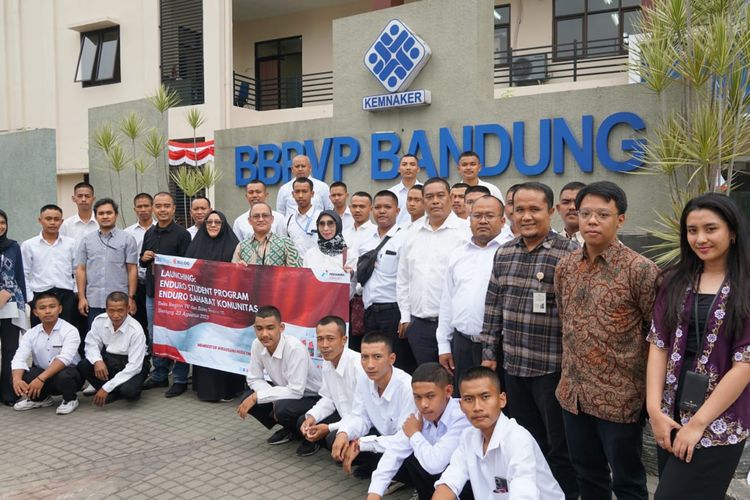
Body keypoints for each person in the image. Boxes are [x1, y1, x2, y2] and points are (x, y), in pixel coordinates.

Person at [555, 181, 658, 500]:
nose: (592, 221)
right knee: (587, 475)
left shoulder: (640, 270)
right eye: (585, 213)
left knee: (627, 481)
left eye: (602, 214)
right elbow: (565, 318)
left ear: (620, 219)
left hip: (620, 398)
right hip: (574, 395)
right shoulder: (566, 266)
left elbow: (656, 334)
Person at [646, 193, 750, 500]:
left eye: (710, 229)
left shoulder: (746, 286)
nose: (700, 238)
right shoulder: (674, 280)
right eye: (692, 230)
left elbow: (745, 364)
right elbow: (658, 345)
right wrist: (654, 410)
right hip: (672, 406)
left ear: (732, 232)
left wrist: (699, 424)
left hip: (721, 413)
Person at [480, 182, 579, 499]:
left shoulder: (570, 255)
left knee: (560, 447)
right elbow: (493, 305)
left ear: (551, 211)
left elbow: (577, 316)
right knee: (525, 441)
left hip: (553, 371)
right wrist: (488, 353)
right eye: (519, 209)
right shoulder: (504, 252)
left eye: (534, 209)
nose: (526, 216)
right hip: (514, 368)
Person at [433, 367, 564, 500]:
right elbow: (449, 482)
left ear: (502, 400)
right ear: (461, 405)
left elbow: (524, 494)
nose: (477, 407)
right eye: (469, 399)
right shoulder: (468, 436)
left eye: (485, 397)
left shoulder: (518, 439)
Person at [438, 196, 512, 393]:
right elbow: (447, 301)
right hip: (462, 344)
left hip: (500, 347)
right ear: (469, 220)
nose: (483, 221)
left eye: (489, 216)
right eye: (477, 216)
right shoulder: (458, 253)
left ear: (502, 220)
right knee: (465, 401)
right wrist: (443, 344)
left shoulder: (511, 252)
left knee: (498, 402)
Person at [366, 363, 473, 500]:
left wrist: (414, 434)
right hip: (438, 483)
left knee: (418, 451)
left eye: (430, 396)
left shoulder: (462, 417)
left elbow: (435, 464)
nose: (423, 404)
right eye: (417, 397)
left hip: (466, 487)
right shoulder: (418, 416)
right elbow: (394, 451)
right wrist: (374, 493)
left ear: (448, 391)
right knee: (406, 455)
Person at [397, 177, 468, 365]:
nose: (435, 201)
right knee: (427, 378)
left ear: (450, 198)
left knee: (456, 379)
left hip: (454, 326)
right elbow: (403, 278)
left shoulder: (465, 231)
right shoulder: (412, 232)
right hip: (419, 325)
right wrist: (405, 316)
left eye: (440, 195)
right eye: (429, 197)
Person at [332, 332, 416, 479]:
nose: (370, 365)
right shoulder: (364, 378)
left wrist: (361, 444)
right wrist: (344, 433)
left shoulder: (407, 388)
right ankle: (377, 468)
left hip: (406, 444)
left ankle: (404, 480)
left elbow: (404, 439)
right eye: (364, 357)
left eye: (377, 357)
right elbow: (359, 416)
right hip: (383, 438)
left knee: (409, 457)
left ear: (391, 359)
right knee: (337, 438)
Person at [237, 306, 322, 446]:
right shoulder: (257, 344)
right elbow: (254, 378)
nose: (264, 334)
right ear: (254, 328)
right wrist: (266, 397)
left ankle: (311, 438)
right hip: (287, 393)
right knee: (248, 397)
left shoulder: (294, 348)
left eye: (270, 328)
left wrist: (260, 396)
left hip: (313, 397)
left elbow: (296, 391)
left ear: (281, 328)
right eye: (259, 329)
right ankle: (291, 429)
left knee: (280, 406)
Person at [185, 210, 246, 402]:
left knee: (224, 347)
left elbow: (241, 278)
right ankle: (206, 390)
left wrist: (240, 269)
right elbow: (187, 273)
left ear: (224, 225)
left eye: (217, 222)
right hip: (202, 308)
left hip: (226, 309)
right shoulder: (196, 245)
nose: (212, 225)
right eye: (209, 222)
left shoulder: (234, 245)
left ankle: (229, 390)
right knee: (204, 345)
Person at [139, 192, 191, 397]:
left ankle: (179, 378)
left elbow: (188, 266)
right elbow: (142, 262)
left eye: (166, 206)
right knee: (155, 334)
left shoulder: (182, 234)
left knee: (178, 335)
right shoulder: (149, 233)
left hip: (175, 296)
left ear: (173, 208)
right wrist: (144, 258)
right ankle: (160, 374)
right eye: (158, 206)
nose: (162, 210)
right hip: (152, 292)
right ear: (153, 208)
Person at [358, 191, 415, 370]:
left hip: (393, 312)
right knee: (374, 364)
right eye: (378, 207)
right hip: (370, 312)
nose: (382, 211)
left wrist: (406, 315)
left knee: (397, 364)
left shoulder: (405, 238)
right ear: (372, 210)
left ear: (397, 210)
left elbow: (408, 279)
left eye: (387, 207)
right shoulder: (365, 239)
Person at [298, 316, 364, 456]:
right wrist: (312, 417)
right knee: (304, 422)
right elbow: (328, 398)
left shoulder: (358, 366)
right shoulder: (327, 363)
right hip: (345, 417)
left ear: (344, 340)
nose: (324, 345)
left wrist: (329, 428)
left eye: (330, 338)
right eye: (320, 339)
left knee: (332, 437)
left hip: (363, 422)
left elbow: (362, 414)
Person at [11, 291, 82, 415]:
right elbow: (19, 358)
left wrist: (40, 379)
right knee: (22, 373)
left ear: (60, 309)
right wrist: (16, 379)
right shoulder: (31, 333)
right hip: (44, 376)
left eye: (52, 306)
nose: (48, 311)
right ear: (35, 312)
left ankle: (70, 399)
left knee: (65, 375)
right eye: (42, 308)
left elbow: (65, 359)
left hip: (69, 375)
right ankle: (40, 399)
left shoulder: (70, 330)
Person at [77, 291, 149, 406]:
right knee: (84, 365)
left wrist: (106, 387)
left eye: (120, 310)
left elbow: (134, 366)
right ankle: (113, 391)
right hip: (111, 360)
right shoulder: (99, 321)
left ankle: (111, 390)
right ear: (106, 309)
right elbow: (91, 343)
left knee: (130, 392)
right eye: (111, 310)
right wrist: (97, 361)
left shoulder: (136, 330)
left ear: (128, 309)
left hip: (133, 364)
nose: (115, 315)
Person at [75, 198, 138, 328]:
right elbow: (81, 269)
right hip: (94, 301)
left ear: (116, 215)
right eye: (101, 213)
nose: (105, 216)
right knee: (95, 336)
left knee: (121, 336)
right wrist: (82, 298)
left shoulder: (127, 239)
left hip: (120, 302)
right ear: (96, 216)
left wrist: (131, 298)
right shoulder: (87, 240)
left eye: (109, 213)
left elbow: (132, 269)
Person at [21, 205, 77, 328]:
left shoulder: (71, 244)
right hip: (40, 295)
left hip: (66, 296)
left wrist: (75, 293)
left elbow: (77, 270)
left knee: (68, 331)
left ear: (62, 221)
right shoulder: (29, 245)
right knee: (40, 332)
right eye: (48, 219)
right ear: (40, 220)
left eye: (56, 219)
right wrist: (30, 298)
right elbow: (24, 272)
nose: (52, 222)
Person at [0, 209, 28, 405]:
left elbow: (19, 275)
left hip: (11, 303)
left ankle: (9, 393)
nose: (0, 226)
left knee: (11, 348)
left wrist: (22, 301)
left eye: (3, 222)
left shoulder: (13, 246)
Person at [303, 211, 356, 298]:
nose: (326, 228)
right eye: (322, 224)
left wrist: (350, 275)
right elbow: (305, 284)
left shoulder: (349, 255)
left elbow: (351, 292)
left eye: (330, 223)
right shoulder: (310, 254)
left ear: (338, 225)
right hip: (313, 303)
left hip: (338, 304)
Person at [232, 202, 302, 267]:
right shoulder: (242, 246)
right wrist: (239, 269)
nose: (261, 219)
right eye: (256, 216)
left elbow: (297, 272)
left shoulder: (286, 243)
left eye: (265, 215)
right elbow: (233, 272)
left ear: (272, 219)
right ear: (249, 221)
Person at [124, 193, 154, 334]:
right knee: (137, 322)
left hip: (155, 283)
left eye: (146, 206)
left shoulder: (160, 229)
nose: (143, 209)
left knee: (154, 322)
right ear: (134, 209)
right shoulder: (127, 233)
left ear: (152, 207)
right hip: (135, 283)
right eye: (139, 206)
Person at [282, 177, 322, 254]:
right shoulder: (288, 220)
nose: (300, 195)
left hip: (316, 261)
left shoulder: (321, 217)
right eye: (297, 191)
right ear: (293, 194)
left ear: (312, 194)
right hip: (294, 262)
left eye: (304, 191)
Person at [389, 154, 422, 227]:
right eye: (404, 164)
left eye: (412, 164)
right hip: (398, 232)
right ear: (398, 169)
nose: (408, 168)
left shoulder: (426, 190)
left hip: (422, 231)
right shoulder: (390, 193)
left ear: (418, 169)